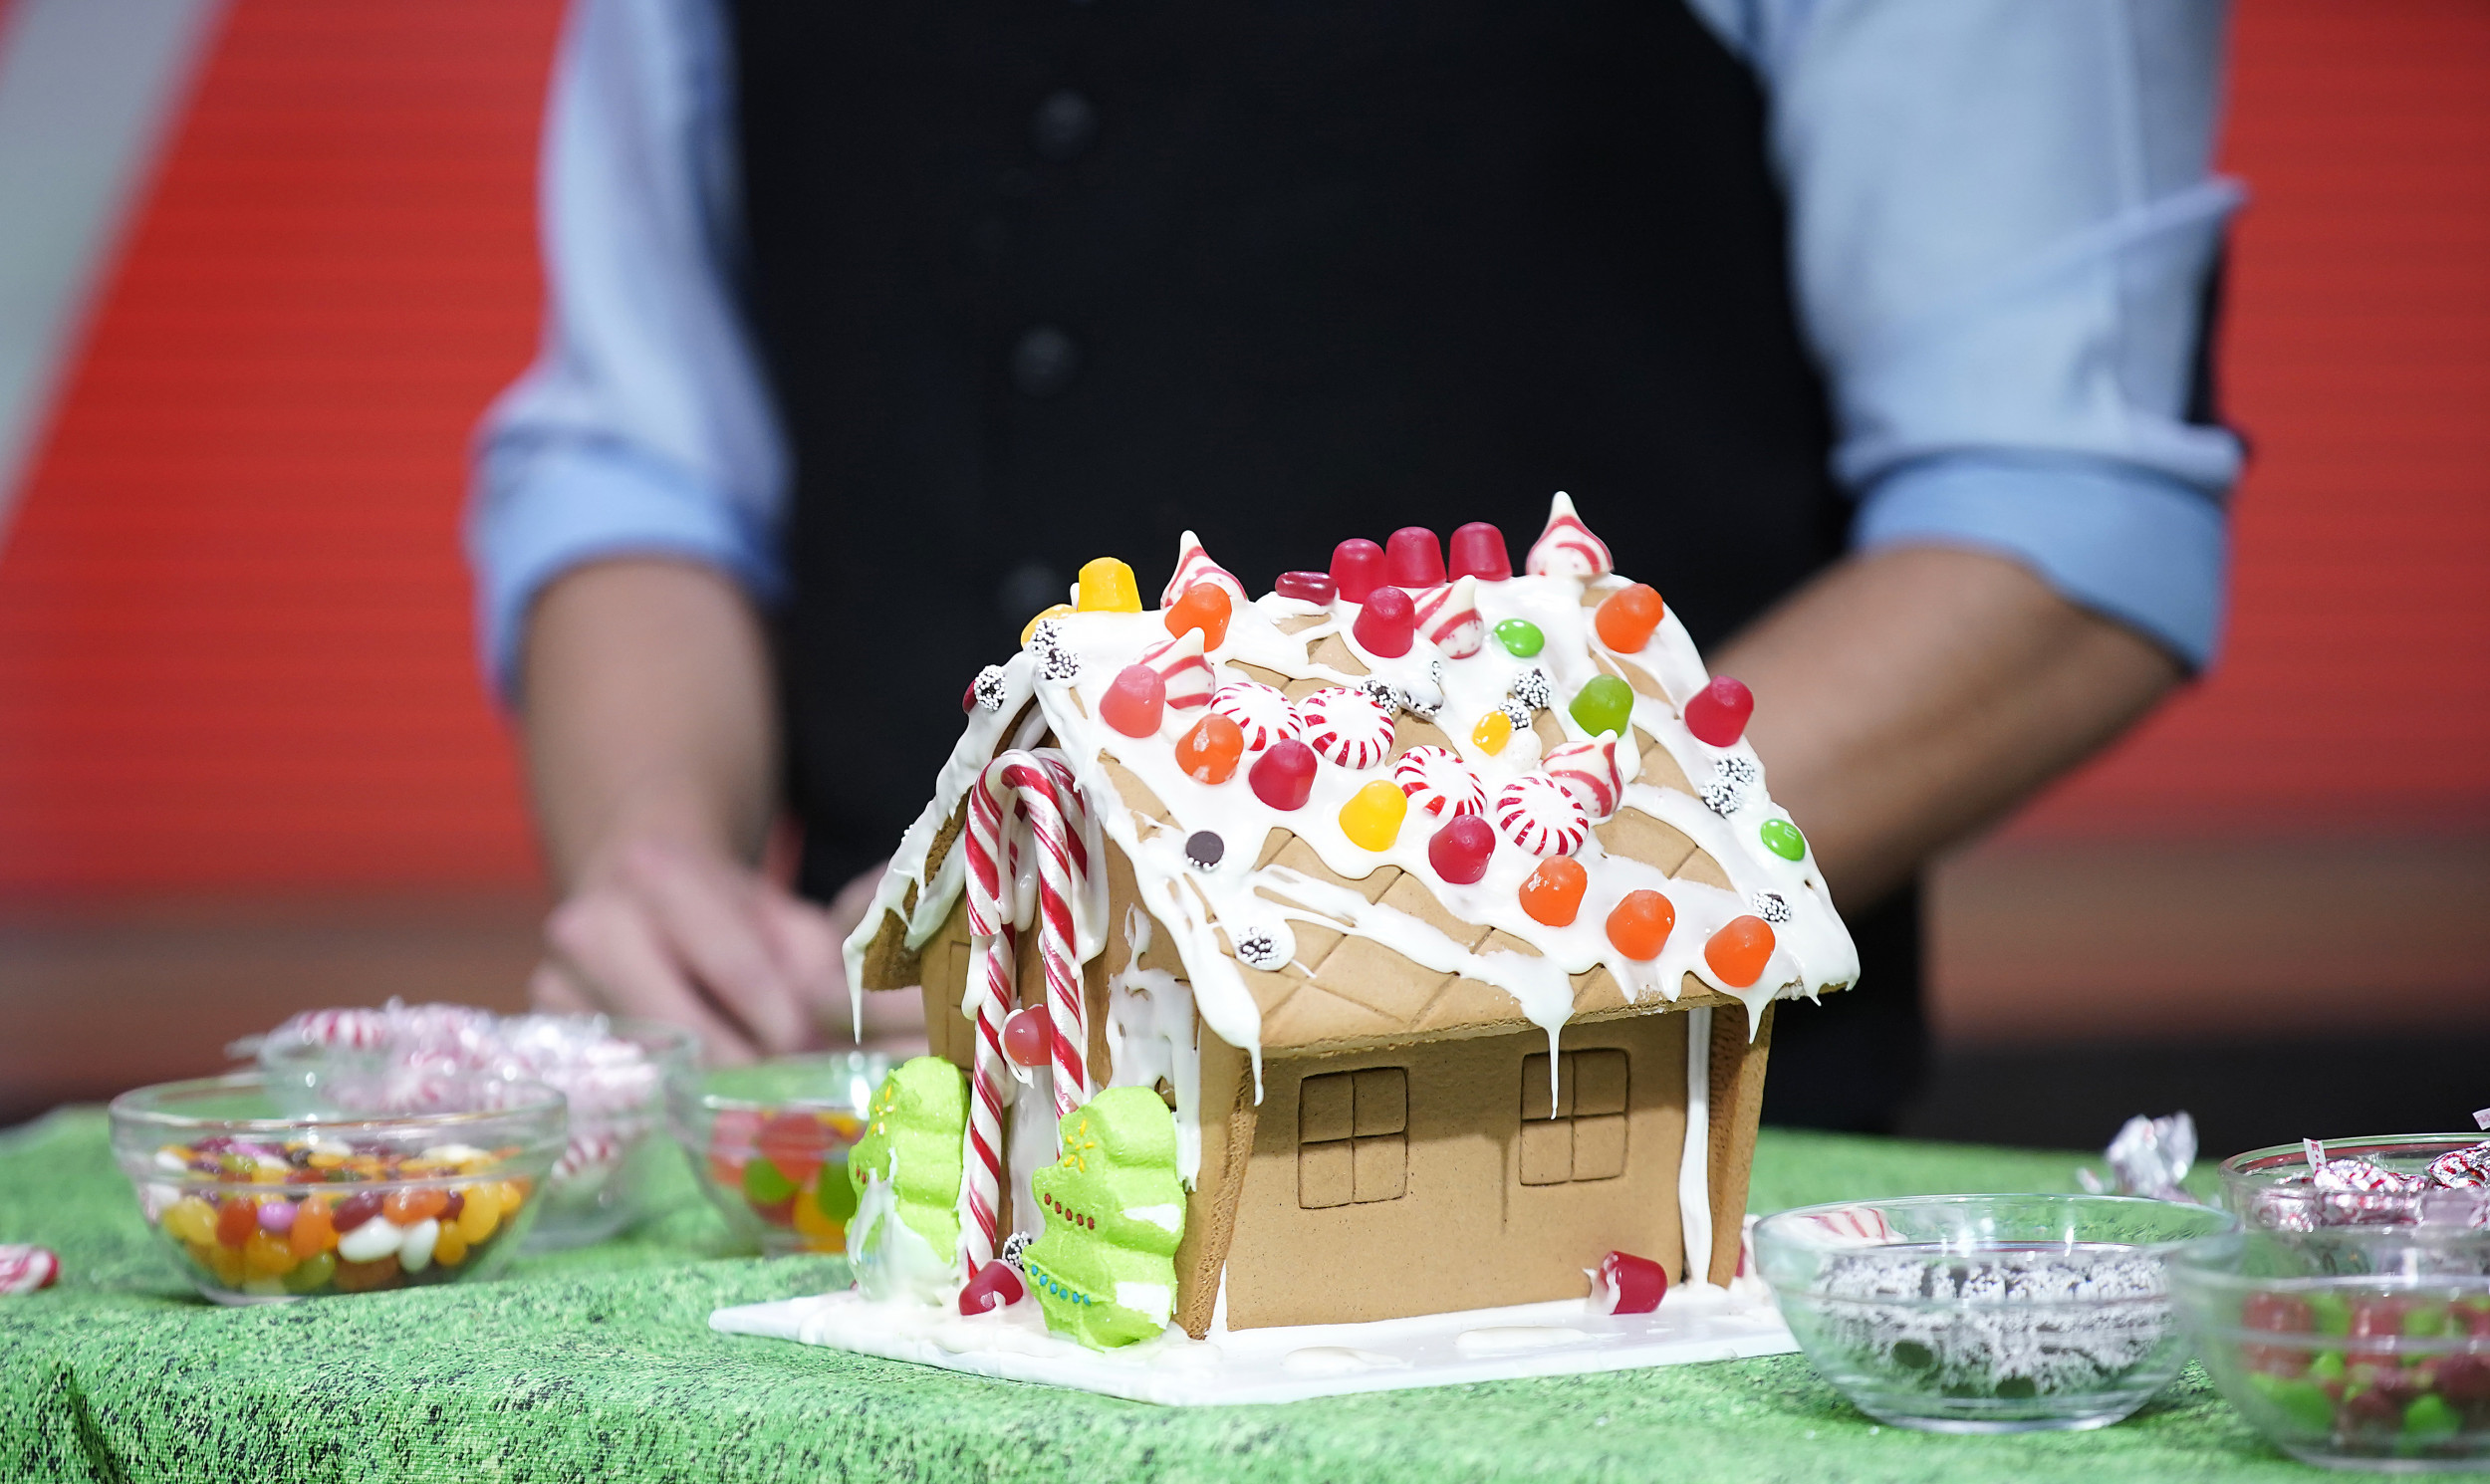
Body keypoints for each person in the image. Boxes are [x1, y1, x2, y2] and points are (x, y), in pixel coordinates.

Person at [469, 0, 2242, 1131]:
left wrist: (1331, 934)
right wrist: (660, 872)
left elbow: (2052, 535)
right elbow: (648, 456)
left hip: (1596, 1221)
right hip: (908, 1191)